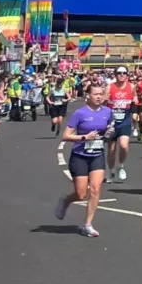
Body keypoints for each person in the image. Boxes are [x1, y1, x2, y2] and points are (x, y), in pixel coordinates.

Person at [55, 83, 113, 237]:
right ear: (88, 96)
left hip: (97, 155)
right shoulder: (80, 113)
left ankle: (88, 224)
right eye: (95, 94)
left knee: (95, 189)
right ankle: (66, 201)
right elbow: (65, 136)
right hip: (80, 155)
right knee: (81, 194)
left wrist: (109, 132)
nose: (99, 97)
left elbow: (107, 132)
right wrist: (84, 137)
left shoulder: (107, 112)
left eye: (101, 94)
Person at [104, 66, 137, 183]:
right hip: (112, 121)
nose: (122, 75)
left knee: (124, 145)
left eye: (124, 73)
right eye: (119, 73)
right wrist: (105, 99)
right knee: (111, 149)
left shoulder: (131, 86)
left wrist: (135, 101)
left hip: (125, 120)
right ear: (115, 74)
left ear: (127, 74)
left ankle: (121, 166)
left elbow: (135, 97)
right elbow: (103, 102)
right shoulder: (109, 87)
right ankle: (110, 171)